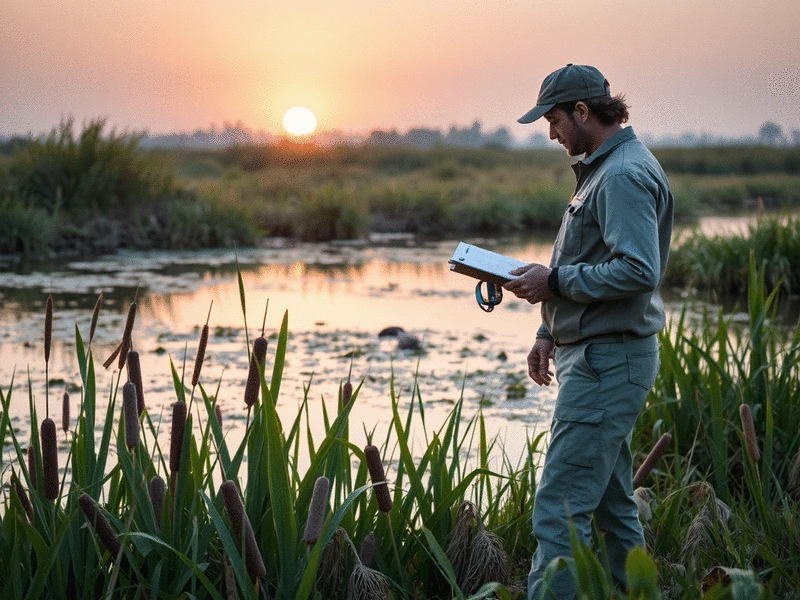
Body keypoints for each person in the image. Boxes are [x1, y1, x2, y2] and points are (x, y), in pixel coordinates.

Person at [504, 64, 674, 600]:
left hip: (608, 364)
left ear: (583, 111)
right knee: (611, 504)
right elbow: (590, 261)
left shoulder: (621, 174)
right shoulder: (603, 169)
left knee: (560, 509)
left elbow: (638, 270)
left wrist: (552, 281)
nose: (551, 134)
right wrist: (547, 332)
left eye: (554, 120)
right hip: (598, 356)